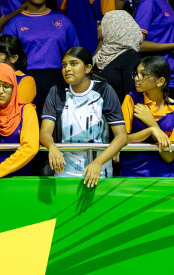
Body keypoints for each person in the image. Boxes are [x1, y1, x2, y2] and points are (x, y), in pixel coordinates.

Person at [38, 46, 128, 186]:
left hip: (99, 173)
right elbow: (44, 132)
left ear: (88, 68)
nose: (67, 69)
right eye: (64, 65)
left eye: (73, 64)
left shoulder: (104, 91)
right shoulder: (56, 92)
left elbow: (121, 136)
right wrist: (52, 146)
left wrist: (97, 163)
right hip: (63, 174)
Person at [7, 0, 79, 101]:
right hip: (25, 78)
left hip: (58, 79)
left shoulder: (63, 21)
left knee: (55, 120)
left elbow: (76, 54)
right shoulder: (15, 23)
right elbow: (5, 58)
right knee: (29, 119)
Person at [118, 56, 174, 178]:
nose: (137, 78)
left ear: (160, 81)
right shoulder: (131, 99)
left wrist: (152, 123)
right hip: (132, 174)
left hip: (166, 176)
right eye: (136, 74)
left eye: (143, 74)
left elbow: (169, 157)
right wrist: (151, 131)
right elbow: (121, 139)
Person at [92, 9, 144, 104]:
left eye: (101, 24)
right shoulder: (102, 53)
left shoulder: (130, 57)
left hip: (116, 115)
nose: (98, 27)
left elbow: (131, 97)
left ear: (113, 27)